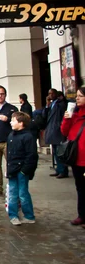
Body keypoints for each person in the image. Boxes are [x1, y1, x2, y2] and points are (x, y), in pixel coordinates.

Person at [6, 112, 38, 225]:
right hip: (12, 169)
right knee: (12, 193)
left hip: (22, 170)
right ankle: (13, 215)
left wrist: (25, 170)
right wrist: (8, 169)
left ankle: (29, 216)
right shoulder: (11, 135)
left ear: (21, 123)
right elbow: (9, 154)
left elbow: (32, 155)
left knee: (23, 194)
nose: (10, 122)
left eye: (13, 120)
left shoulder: (28, 137)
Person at [60, 86, 85, 227]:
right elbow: (64, 131)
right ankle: (82, 215)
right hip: (76, 159)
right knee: (80, 188)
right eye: (76, 96)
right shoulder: (74, 115)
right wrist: (66, 119)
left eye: (80, 96)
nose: (77, 98)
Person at [44, 88, 69, 178]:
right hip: (52, 129)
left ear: (56, 94)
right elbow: (45, 115)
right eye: (49, 94)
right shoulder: (51, 104)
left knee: (60, 152)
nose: (50, 95)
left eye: (52, 93)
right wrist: (47, 104)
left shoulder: (60, 104)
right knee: (55, 152)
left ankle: (63, 170)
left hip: (58, 130)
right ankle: (58, 169)